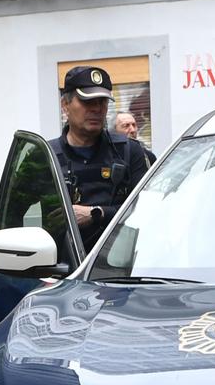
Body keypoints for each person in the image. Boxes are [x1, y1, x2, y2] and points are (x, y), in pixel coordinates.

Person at [51, 65, 150, 250]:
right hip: (63, 270)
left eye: (102, 102)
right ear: (65, 105)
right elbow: (11, 214)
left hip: (120, 270)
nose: (97, 109)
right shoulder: (47, 156)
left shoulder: (129, 151)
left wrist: (97, 213)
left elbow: (146, 209)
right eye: (87, 102)